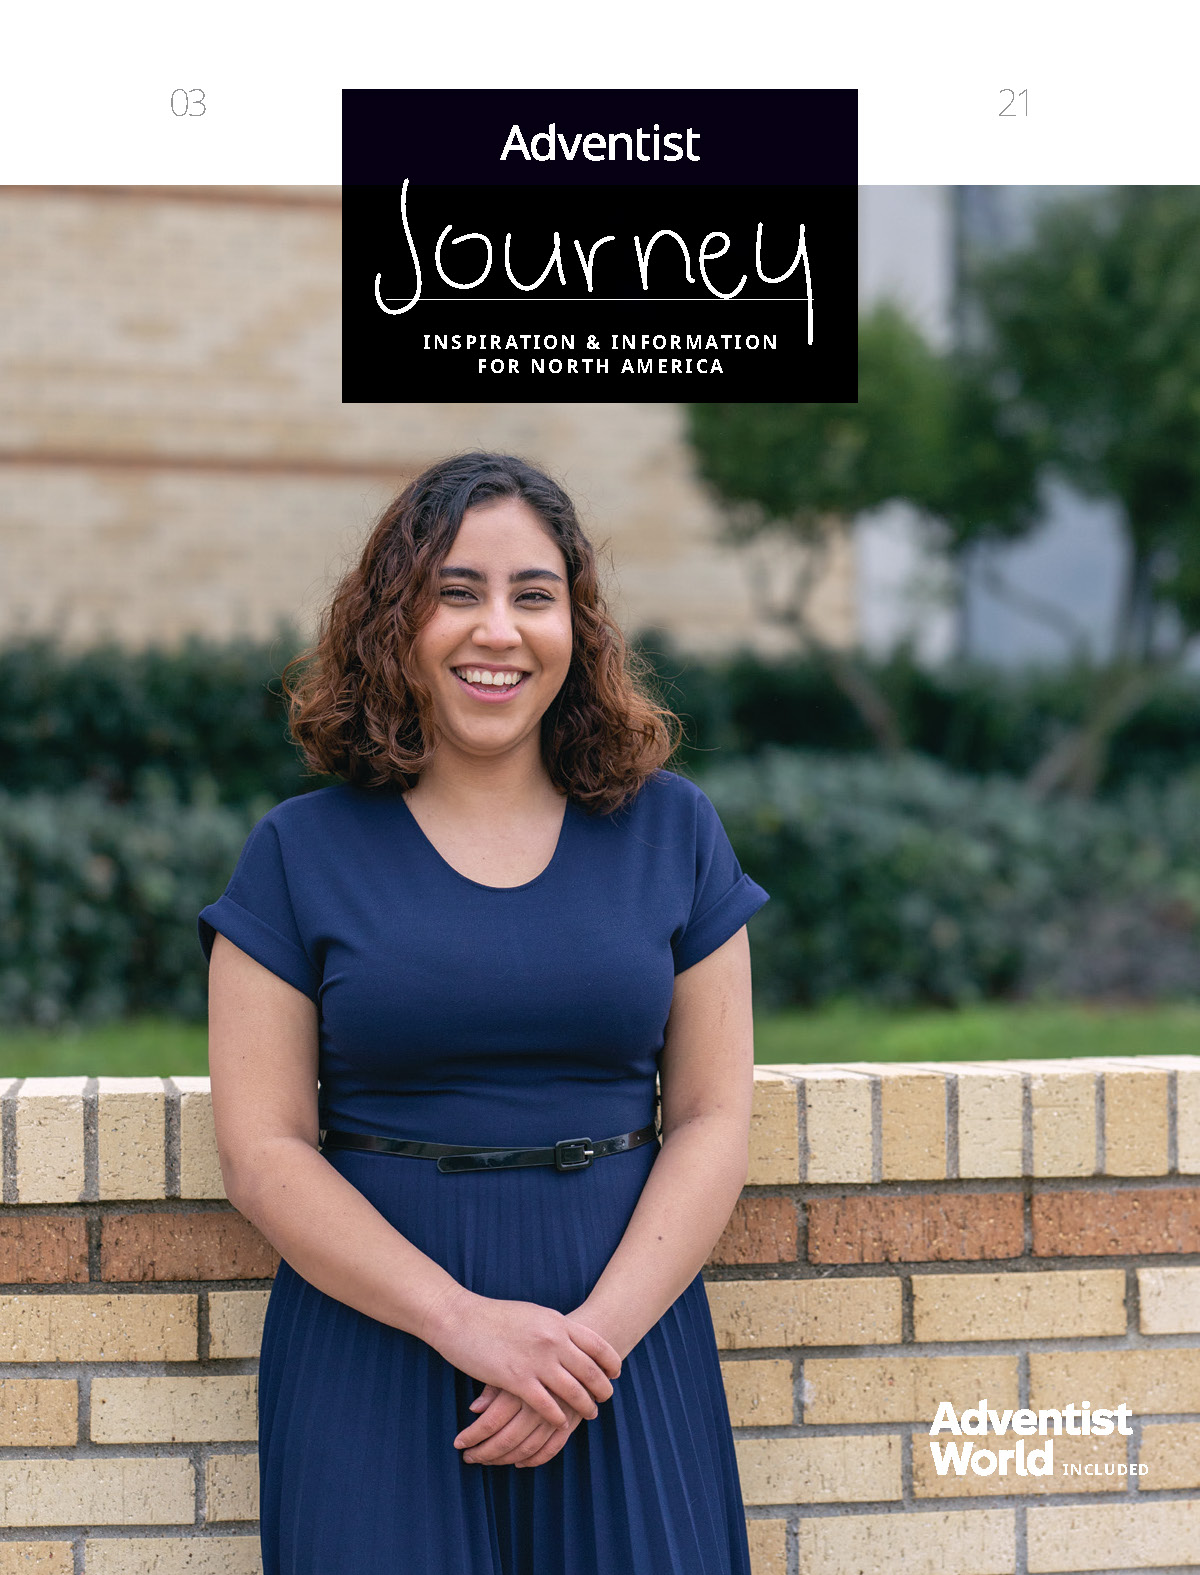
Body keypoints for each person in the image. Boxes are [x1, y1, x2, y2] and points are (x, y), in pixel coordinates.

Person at [199, 451, 769, 1574]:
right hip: (375, 1349)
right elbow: (263, 1152)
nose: (496, 630)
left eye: (533, 596)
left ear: (579, 627)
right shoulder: (296, 854)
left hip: (619, 1347)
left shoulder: (675, 831)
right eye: (455, 593)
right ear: (394, 622)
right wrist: (466, 1324)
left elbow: (714, 1118)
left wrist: (580, 1353)